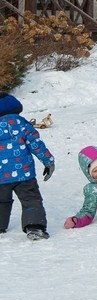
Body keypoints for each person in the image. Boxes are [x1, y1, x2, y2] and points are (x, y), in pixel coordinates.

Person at [0, 92, 54, 240]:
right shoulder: (22, 124)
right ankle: (35, 227)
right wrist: (48, 161)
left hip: (0, 177)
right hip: (24, 174)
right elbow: (36, 144)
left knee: (1, 200)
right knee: (30, 199)